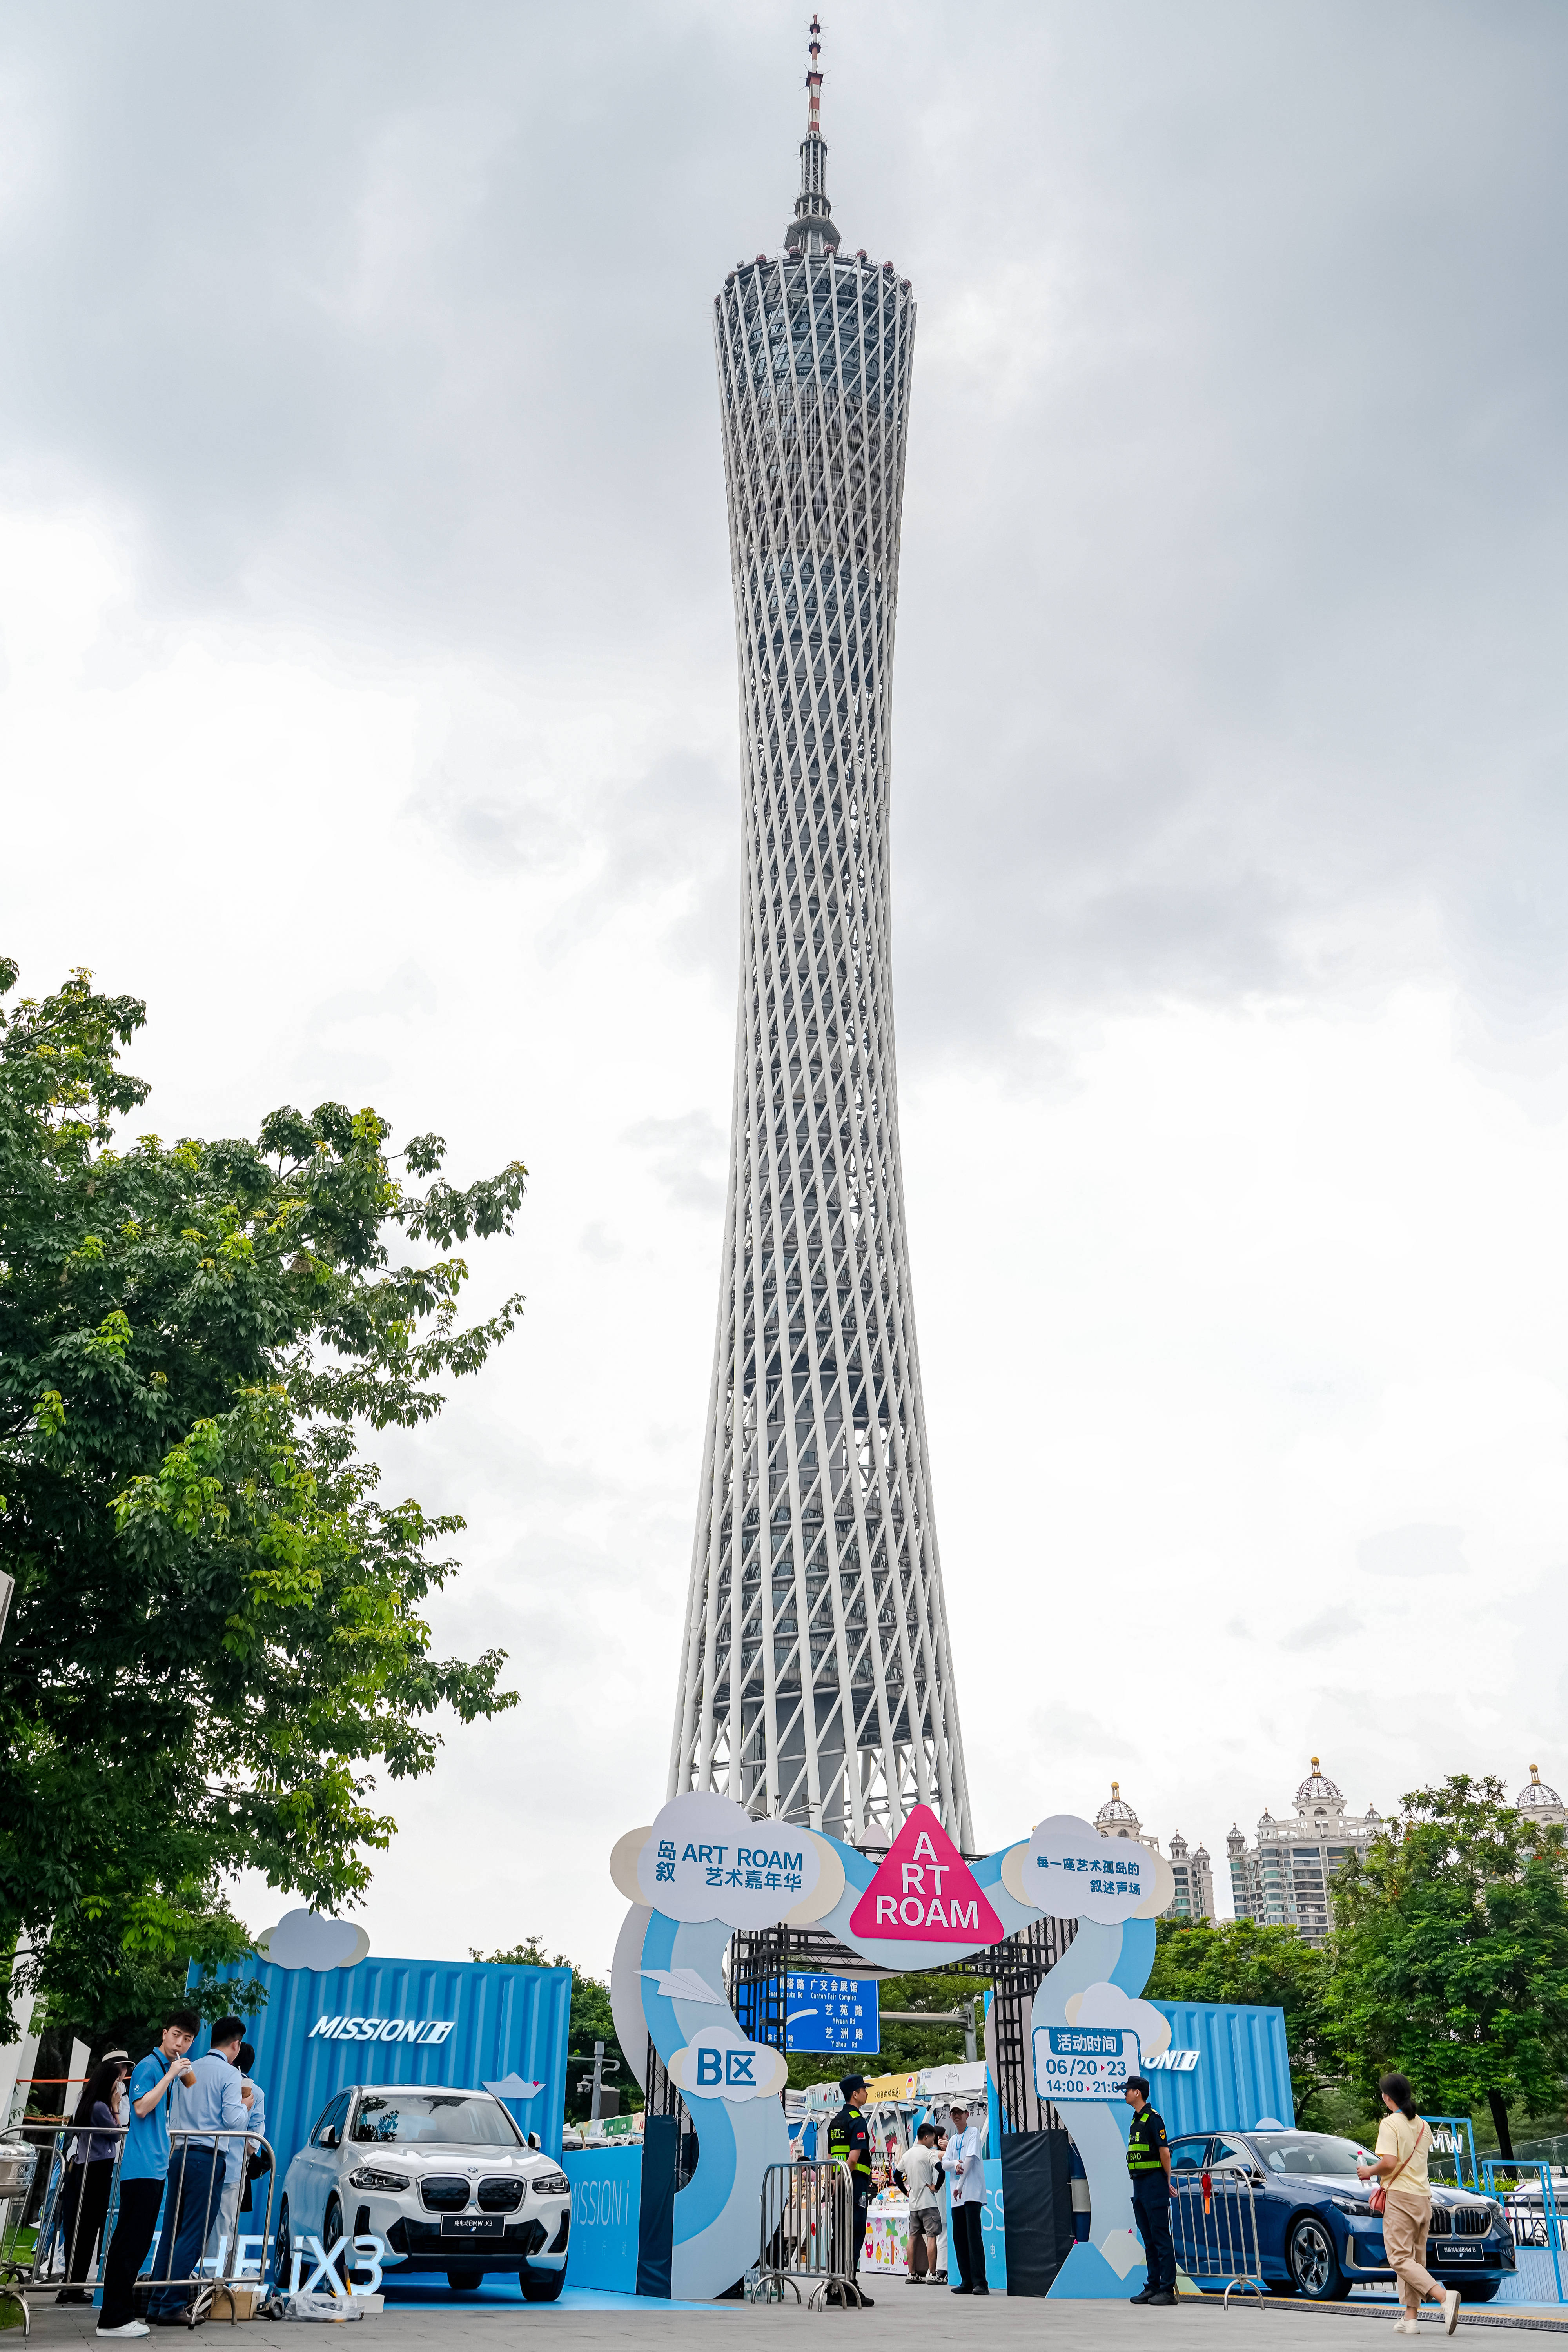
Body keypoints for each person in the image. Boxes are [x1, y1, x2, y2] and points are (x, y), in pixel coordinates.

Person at [95, 2011, 199, 2341]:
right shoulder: (148, 2066)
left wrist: (178, 2076)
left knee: (137, 2244)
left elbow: (188, 2091)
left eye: (188, 2039)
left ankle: (119, 2315)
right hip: (141, 2168)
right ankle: (114, 2319)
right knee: (129, 2243)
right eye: (176, 2035)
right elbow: (140, 2108)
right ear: (165, 2032)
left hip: (154, 2168)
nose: (180, 2043)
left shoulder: (164, 2066)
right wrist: (170, 2076)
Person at [147, 2018, 248, 2323]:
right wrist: (247, 2106)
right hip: (207, 2157)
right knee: (195, 2231)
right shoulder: (231, 2074)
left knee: (172, 2231)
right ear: (236, 2045)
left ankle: (156, 2302)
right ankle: (172, 2304)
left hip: (178, 2154)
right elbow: (233, 2121)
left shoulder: (187, 2069)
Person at [1356, 2073, 1459, 2337]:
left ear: (1388, 2098)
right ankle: (1410, 2319)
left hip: (1401, 2198)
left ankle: (1443, 2296)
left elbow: (1390, 2162)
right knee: (1414, 2260)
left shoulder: (1390, 2124)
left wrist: (1369, 2171)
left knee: (1400, 2258)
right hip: (1424, 2198)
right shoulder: (1424, 2126)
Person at [56, 2056, 133, 2304]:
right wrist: (116, 2107)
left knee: (81, 2229)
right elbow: (116, 2135)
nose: (120, 2086)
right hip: (95, 2169)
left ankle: (72, 2285)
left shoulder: (89, 2102)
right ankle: (73, 2287)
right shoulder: (101, 2107)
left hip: (87, 2167)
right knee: (86, 2229)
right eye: (117, 2080)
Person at [207, 2041, 261, 2275]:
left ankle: (189, 2282)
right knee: (224, 2227)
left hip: (202, 2162)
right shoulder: (254, 2092)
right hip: (233, 2169)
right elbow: (254, 2141)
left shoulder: (212, 2079)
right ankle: (212, 2285)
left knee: (196, 2224)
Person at [1124, 2076, 1176, 2305]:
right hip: (1140, 2184)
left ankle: (1167, 2290)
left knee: (1161, 2237)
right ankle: (1153, 2286)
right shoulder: (1136, 2121)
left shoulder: (1154, 2119)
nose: (1124, 2093)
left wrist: (1167, 2179)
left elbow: (1164, 2152)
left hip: (1155, 2183)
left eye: (1127, 2090)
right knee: (1149, 2239)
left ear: (1138, 2093)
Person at [825, 2073, 876, 2307]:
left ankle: (834, 2288)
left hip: (839, 2184)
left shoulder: (835, 2121)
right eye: (864, 2090)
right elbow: (854, 2160)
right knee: (854, 2233)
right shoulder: (858, 2121)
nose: (867, 2093)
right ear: (855, 2094)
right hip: (855, 2185)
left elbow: (830, 2159)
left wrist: (832, 2182)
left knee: (839, 2234)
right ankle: (850, 2284)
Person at [946, 2101, 988, 2295]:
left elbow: (971, 2160)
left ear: (967, 2114)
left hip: (970, 2193)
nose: (956, 2116)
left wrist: (961, 2185)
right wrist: (955, 2163)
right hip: (957, 2197)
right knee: (959, 2238)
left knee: (973, 2237)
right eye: (953, 2112)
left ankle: (981, 2282)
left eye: (960, 2112)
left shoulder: (973, 2134)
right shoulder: (953, 2140)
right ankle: (967, 2280)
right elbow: (945, 2162)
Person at [898, 2123, 942, 2285]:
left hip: (914, 2204)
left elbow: (897, 2175)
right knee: (932, 2238)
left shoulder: (908, 2155)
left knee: (913, 2238)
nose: (934, 2141)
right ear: (926, 2137)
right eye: (933, 2138)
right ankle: (932, 2274)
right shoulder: (929, 2153)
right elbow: (942, 2170)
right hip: (928, 2203)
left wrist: (906, 2191)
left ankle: (912, 2273)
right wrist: (935, 2187)